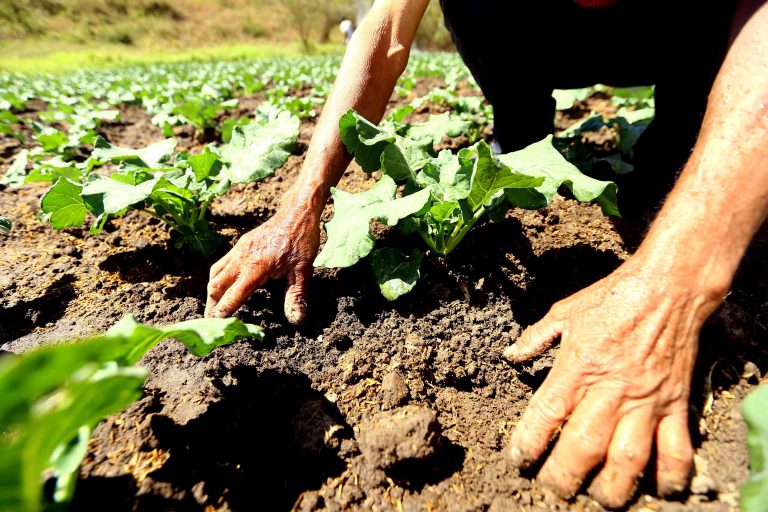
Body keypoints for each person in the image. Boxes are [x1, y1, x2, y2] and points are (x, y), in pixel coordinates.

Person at [205, 0, 768, 507]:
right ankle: (520, 135)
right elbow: (387, 31)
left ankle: (683, 140)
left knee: (677, 166)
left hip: (687, 34)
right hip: (546, 33)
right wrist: (300, 204)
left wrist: (670, 286)